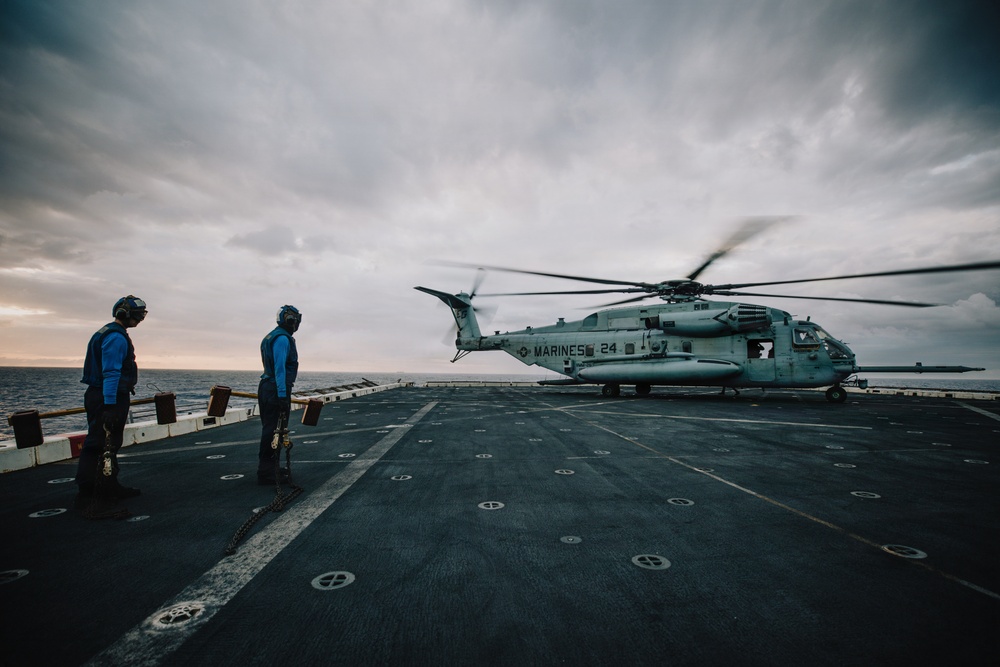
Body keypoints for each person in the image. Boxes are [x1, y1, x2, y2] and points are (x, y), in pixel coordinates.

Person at [75, 295, 147, 508]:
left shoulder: (106, 332)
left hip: (104, 394)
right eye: (137, 315)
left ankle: (109, 484)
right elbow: (111, 373)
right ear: (124, 313)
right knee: (99, 443)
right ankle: (88, 491)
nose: (140, 319)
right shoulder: (116, 337)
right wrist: (110, 404)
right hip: (109, 395)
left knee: (110, 442)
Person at [257, 305, 301, 485]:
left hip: (267, 386)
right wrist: (282, 395)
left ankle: (270, 467)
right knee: (274, 430)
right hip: (276, 388)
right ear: (291, 320)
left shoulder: (271, 335)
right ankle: (267, 472)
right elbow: (280, 369)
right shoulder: (282, 339)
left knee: (272, 429)